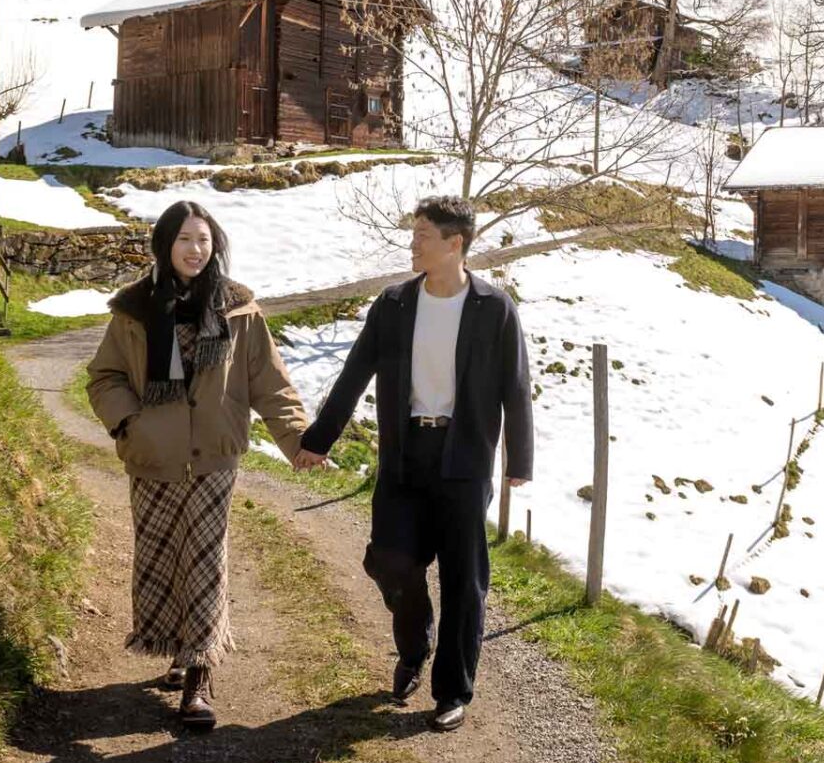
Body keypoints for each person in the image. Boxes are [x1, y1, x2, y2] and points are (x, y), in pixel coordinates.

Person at [293, 194, 532, 732]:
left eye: (424, 234)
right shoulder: (395, 303)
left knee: (463, 579)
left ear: (456, 244)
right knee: (390, 559)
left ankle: (452, 691)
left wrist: (520, 459)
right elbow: (355, 373)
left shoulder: (494, 308)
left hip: (465, 457)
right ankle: (414, 643)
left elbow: (516, 388)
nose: (414, 241)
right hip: (404, 455)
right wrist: (320, 438)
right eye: (415, 232)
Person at [87, 200, 308, 731]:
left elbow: (269, 383)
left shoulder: (238, 310)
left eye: (204, 240)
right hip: (153, 458)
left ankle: (198, 677)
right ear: (165, 245)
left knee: (205, 562)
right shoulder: (134, 311)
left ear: (216, 245)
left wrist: (298, 437)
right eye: (185, 239)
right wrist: (128, 424)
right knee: (162, 562)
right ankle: (176, 649)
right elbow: (105, 378)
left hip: (215, 459)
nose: (195, 249)